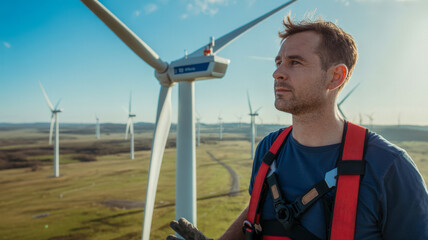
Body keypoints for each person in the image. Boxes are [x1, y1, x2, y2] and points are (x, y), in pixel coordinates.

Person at [167, 15, 428, 240]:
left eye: (295, 62)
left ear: (335, 76)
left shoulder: (389, 168)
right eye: (278, 62)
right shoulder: (269, 149)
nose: (277, 73)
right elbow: (256, 209)